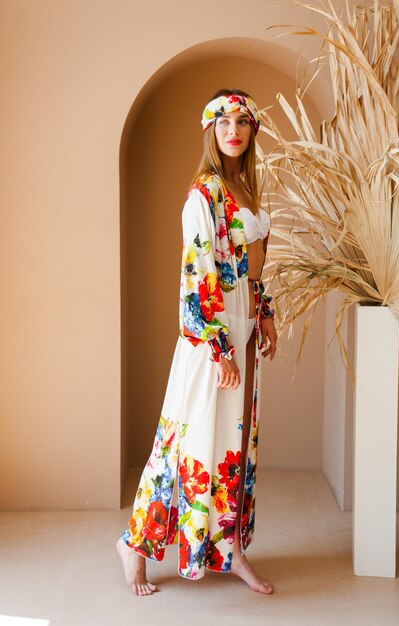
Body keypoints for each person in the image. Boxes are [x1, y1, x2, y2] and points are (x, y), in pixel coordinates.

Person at [117, 89, 277, 596]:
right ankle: (135, 546)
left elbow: (251, 273)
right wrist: (218, 347)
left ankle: (230, 551)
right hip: (211, 342)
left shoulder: (248, 193)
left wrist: (265, 315)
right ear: (210, 130)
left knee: (232, 448)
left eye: (242, 122)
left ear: (252, 131)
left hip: (244, 334)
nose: (234, 130)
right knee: (186, 445)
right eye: (223, 121)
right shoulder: (202, 195)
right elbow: (197, 278)